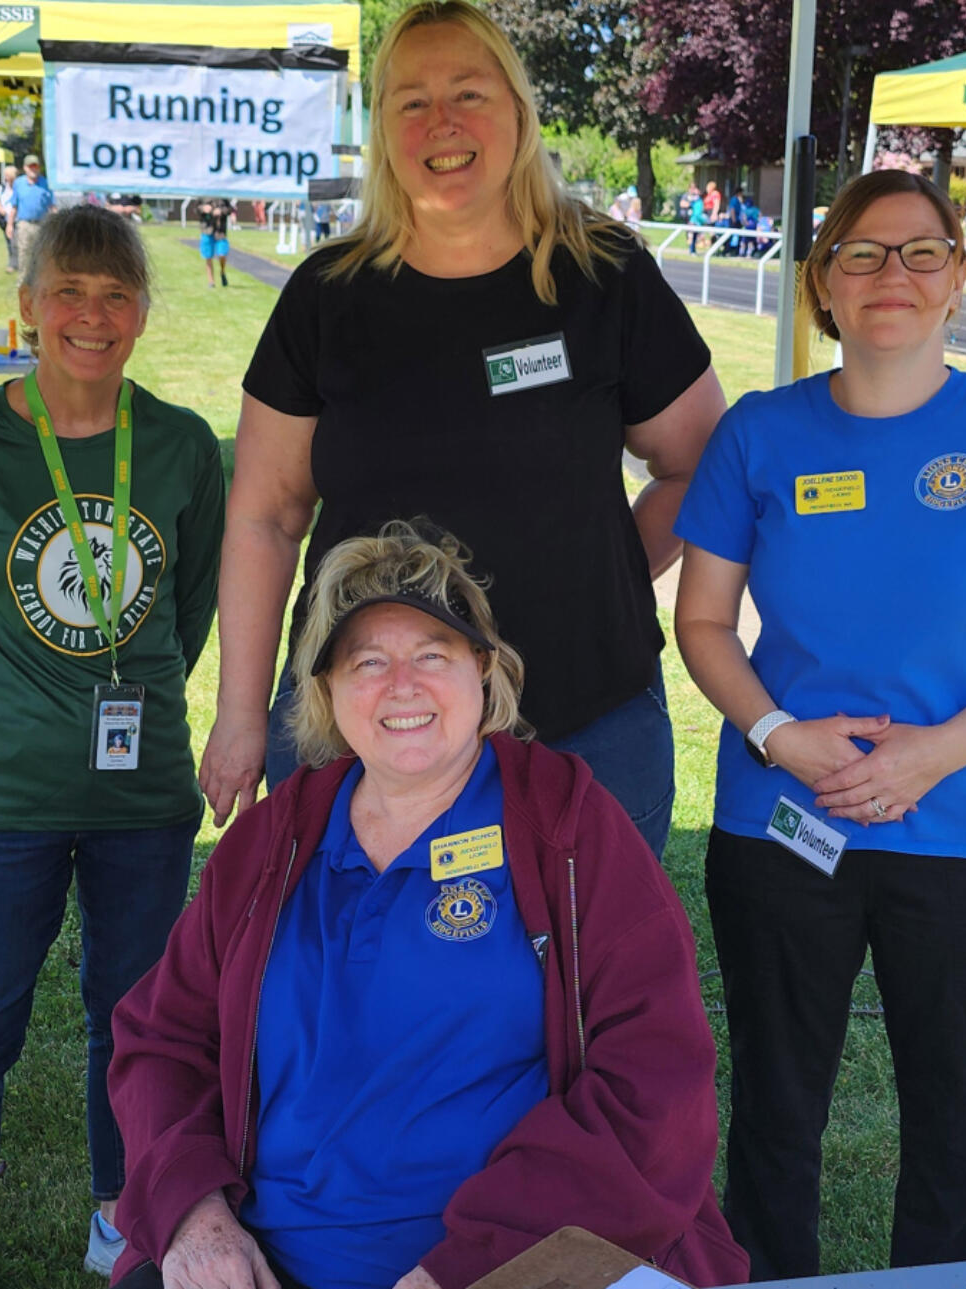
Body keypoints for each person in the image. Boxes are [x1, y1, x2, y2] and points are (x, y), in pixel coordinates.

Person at [108, 521, 750, 1289]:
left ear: (484, 670)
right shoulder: (271, 843)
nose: (401, 685)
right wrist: (195, 1215)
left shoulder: (564, 827)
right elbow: (161, 1040)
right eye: (367, 661)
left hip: (519, 1266)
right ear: (327, 691)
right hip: (266, 1266)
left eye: (432, 655)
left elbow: (655, 1080)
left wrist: (466, 1270)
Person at [672, 169, 966, 1281]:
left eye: (921, 251)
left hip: (960, 827)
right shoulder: (757, 435)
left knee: (959, 1129)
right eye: (860, 252)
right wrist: (778, 732)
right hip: (782, 819)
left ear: (958, 274)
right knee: (773, 1112)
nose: (891, 275)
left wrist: (931, 752)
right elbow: (704, 618)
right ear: (821, 279)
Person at [200, 0, 726, 860]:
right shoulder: (326, 298)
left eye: (469, 92)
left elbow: (703, 463)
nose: (441, 121)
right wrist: (238, 717)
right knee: (355, 982)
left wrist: (606, 568)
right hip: (363, 720)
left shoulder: (604, 274)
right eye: (411, 100)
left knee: (583, 984)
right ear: (382, 130)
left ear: (517, 111)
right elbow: (265, 515)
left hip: (584, 715)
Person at [0, 204, 226, 1289]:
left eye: (116, 293)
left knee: (135, 1021)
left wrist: (128, 708)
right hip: (0, 796)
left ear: (141, 311)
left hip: (145, 798)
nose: (92, 314)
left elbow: (187, 604)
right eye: (69, 292)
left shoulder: (178, 442)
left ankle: (114, 1215)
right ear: (29, 306)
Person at [6, 153, 55, 275]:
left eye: (36, 166)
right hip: (24, 224)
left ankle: (38, 282)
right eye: (30, 166)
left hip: (42, 225)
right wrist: (10, 225)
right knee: (24, 253)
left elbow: (52, 206)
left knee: (41, 254)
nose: (33, 169)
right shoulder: (19, 183)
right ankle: (23, 282)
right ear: (25, 168)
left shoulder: (46, 183)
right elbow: (14, 206)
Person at [199, 197, 234, 286]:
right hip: (207, 229)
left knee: (222, 254)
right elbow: (196, 208)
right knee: (208, 256)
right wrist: (204, 208)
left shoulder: (223, 195)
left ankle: (222, 272)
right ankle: (211, 281)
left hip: (220, 231)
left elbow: (230, 209)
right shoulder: (203, 194)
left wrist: (221, 211)